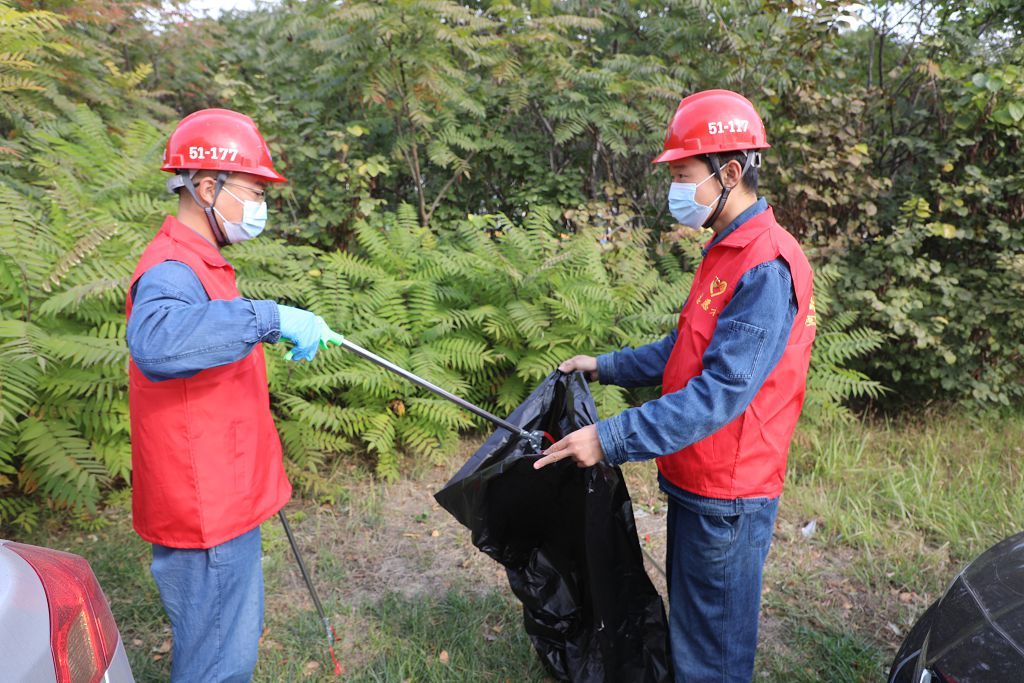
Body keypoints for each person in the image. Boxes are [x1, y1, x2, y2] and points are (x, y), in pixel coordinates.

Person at [534, 89, 816, 682]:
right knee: (693, 635)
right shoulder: (726, 247)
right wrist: (604, 365)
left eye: (684, 174)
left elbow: (718, 394)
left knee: (710, 655)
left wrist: (607, 439)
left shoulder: (766, 266)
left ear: (729, 172)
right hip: (697, 479)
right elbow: (684, 345)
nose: (676, 190)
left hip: (728, 496)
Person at [125, 108, 342, 682]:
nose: (260, 206)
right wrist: (268, 317)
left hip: (221, 488)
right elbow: (157, 342)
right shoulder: (172, 269)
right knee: (219, 661)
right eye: (252, 191)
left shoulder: (202, 261)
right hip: (206, 506)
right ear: (206, 187)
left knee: (217, 642)